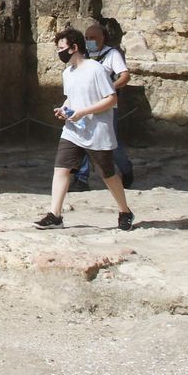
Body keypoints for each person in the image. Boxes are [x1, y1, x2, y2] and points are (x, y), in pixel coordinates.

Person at [35, 28, 134, 231]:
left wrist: (82, 112)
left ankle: (124, 210)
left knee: (107, 173)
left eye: (62, 48)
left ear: (74, 47)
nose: (59, 53)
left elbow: (111, 99)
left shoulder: (95, 69)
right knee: (61, 168)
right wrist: (64, 109)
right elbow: (72, 98)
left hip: (97, 130)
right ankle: (55, 215)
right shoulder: (67, 73)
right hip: (73, 130)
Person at [72, 18, 135, 191]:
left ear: (102, 38)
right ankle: (81, 179)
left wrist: (109, 88)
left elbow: (124, 76)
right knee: (82, 140)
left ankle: (126, 169)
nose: (89, 40)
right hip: (84, 104)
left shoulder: (112, 54)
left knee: (110, 143)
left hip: (105, 105)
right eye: (86, 37)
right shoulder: (83, 55)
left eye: (92, 37)